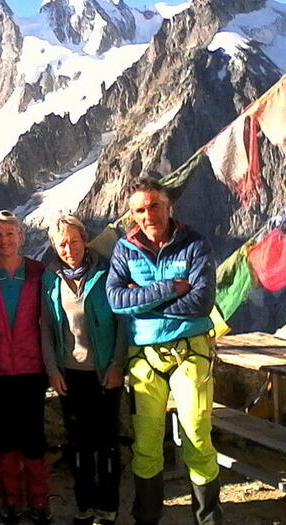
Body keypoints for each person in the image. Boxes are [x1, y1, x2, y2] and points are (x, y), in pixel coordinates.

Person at [106, 177, 222, 525]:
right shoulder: (125, 249)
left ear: (169, 206)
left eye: (155, 205)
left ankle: (209, 519)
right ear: (132, 215)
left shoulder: (195, 244)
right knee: (146, 442)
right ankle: (147, 518)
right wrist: (170, 287)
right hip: (145, 357)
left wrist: (142, 303)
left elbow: (201, 302)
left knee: (197, 435)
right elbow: (115, 300)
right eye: (140, 209)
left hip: (191, 350)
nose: (148, 214)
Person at [41, 214, 126, 525]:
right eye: (61, 243)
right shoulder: (50, 278)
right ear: (54, 246)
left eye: (74, 241)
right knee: (78, 443)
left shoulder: (107, 272)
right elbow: (47, 327)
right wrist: (52, 369)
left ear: (84, 240)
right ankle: (84, 506)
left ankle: (107, 507)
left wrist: (118, 365)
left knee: (106, 442)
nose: (69, 248)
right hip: (69, 372)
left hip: (104, 372)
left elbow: (121, 321)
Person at [0, 210, 51, 525]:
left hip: (32, 366)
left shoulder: (39, 273)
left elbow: (51, 322)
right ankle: (10, 501)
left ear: (22, 236)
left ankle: (39, 501)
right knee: (4, 436)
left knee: (34, 436)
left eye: (10, 233)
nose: (4, 240)